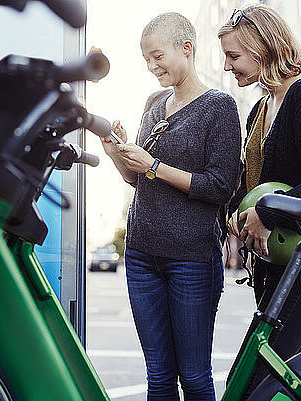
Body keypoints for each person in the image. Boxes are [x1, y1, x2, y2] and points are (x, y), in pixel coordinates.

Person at [102, 12, 241, 401]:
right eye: (146, 58)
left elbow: (219, 187)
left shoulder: (219, 107)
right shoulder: (153, 102)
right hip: (142, 255)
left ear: (187, 48)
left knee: (194, 377)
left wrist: (155, 166)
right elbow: (138, 178)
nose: (151, 66)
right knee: (159, 376)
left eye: (157, 56)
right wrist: (117, 155)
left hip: (192, 261)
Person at [218, 3, 301, 397]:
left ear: (263, 48)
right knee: (287, 382)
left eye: (234, 56)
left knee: (248, 383)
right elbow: (255, 181)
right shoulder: (259, 110)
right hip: (275, 265)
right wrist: (238, 212)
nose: (228, 66)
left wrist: (267, 213)